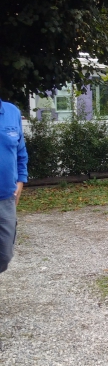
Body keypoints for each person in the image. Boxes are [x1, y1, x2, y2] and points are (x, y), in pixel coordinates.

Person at [0, 97, 28, 274]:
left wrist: (20, 182)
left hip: (6, 198)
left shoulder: (12, 112)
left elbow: (21, 152)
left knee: (5, 255)